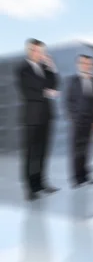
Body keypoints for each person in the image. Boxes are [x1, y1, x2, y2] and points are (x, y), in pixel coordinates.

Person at [15, 39, 61, 200]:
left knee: (43, 152)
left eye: (42, 51)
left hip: (47, 116)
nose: (40, 54)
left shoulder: (44, 68)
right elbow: (28, 92)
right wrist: (45, 93)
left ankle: (41, 183)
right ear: (29, 50)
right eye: (36, 51)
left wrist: (52, 67)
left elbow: (55, 85)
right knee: (30, 153)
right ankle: (29, 188)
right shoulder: (22, 69)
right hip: (32, 117)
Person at [65, 54, 93, 187]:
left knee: (88, 149)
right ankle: (76, 178)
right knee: (76, 149)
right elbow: (68, 101)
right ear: (79, 64)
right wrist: (73, 117)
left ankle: (86, 175)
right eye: (84, 63)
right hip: (77, 121)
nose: (87, 66)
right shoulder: (72, 81)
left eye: (89, 64)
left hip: (91, 121)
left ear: (92, 66)